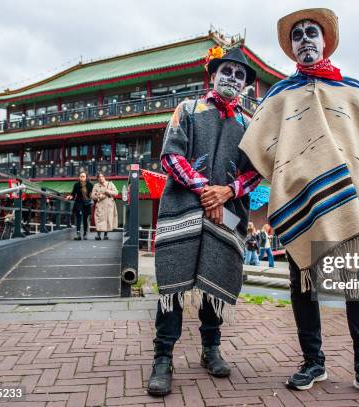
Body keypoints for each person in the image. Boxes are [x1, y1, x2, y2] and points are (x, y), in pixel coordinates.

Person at [240, 9, 359, 404]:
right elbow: (259, 148)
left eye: (312, 32)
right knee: (303, 287)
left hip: (349, 204)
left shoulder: (352, 90)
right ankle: (314, 361)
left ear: (325, 40)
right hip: (302, 202)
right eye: (297, 36)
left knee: (357, 288)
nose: (305, 39)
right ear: (292, 47)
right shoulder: (280, 95)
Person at [147, 47, 262, 396]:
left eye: (240, 75)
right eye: (227, 70)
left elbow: (254, 171)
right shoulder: (188, 110)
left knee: (216, 279)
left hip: (227, 214)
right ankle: (163, 357)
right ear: (213, 74)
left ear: (245, 85)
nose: (232, 77)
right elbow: (171, 156)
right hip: (183, 208)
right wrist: (205, 190)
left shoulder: (248, 124)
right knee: (174, 286)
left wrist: (226, 192)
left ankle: (211, 349)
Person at [67, 171, 93, 240]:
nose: (82, 178)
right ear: (79, 177)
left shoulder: (90, 185)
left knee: (85, 219)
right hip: (79, 202)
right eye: (81, 176)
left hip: (87, 203)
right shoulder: (76, 185)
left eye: (83, 176)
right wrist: (70, 196)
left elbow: (92, 194)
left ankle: (85, 234)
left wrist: (92, 197)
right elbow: (73, 194)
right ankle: (78, 234)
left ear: (86, 177)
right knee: (78, 218)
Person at [92, 173, 118, 240]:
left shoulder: (110, 184)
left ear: (104, 177)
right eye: (99, 177)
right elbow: (92, 196)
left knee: (107, 219)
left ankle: (106, 235)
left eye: (102, 176)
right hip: (100, 204)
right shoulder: (96, 185)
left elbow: (116, 192)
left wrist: (107, 191)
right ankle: (98, 235)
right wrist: (98, 196)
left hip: (109, 204)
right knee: (99, 219)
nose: (101, 178)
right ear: (97, 178)